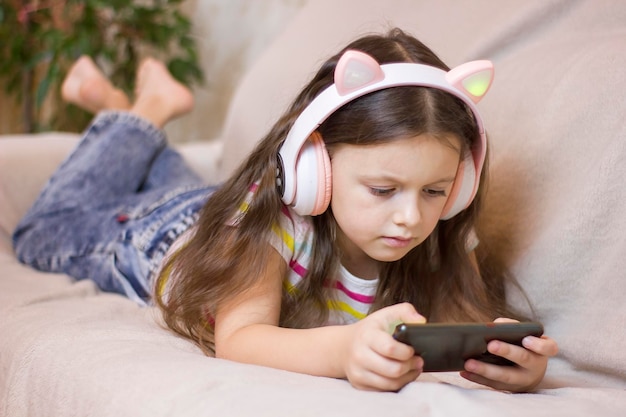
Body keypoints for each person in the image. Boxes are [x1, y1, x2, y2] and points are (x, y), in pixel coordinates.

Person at [13, 28, 558, 393]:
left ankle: (118, 107)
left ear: (460, 184)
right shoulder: (274, 221)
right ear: (311, 169)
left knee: (178, 183)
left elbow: (460, 320)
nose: (411, 219)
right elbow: (240, 339)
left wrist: (503, 359)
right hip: (166, 234)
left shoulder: (438, 232)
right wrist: (343, 350)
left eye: (435, 191)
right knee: (39, 233)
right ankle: (146, 109)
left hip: (216, 206)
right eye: (382, 189)